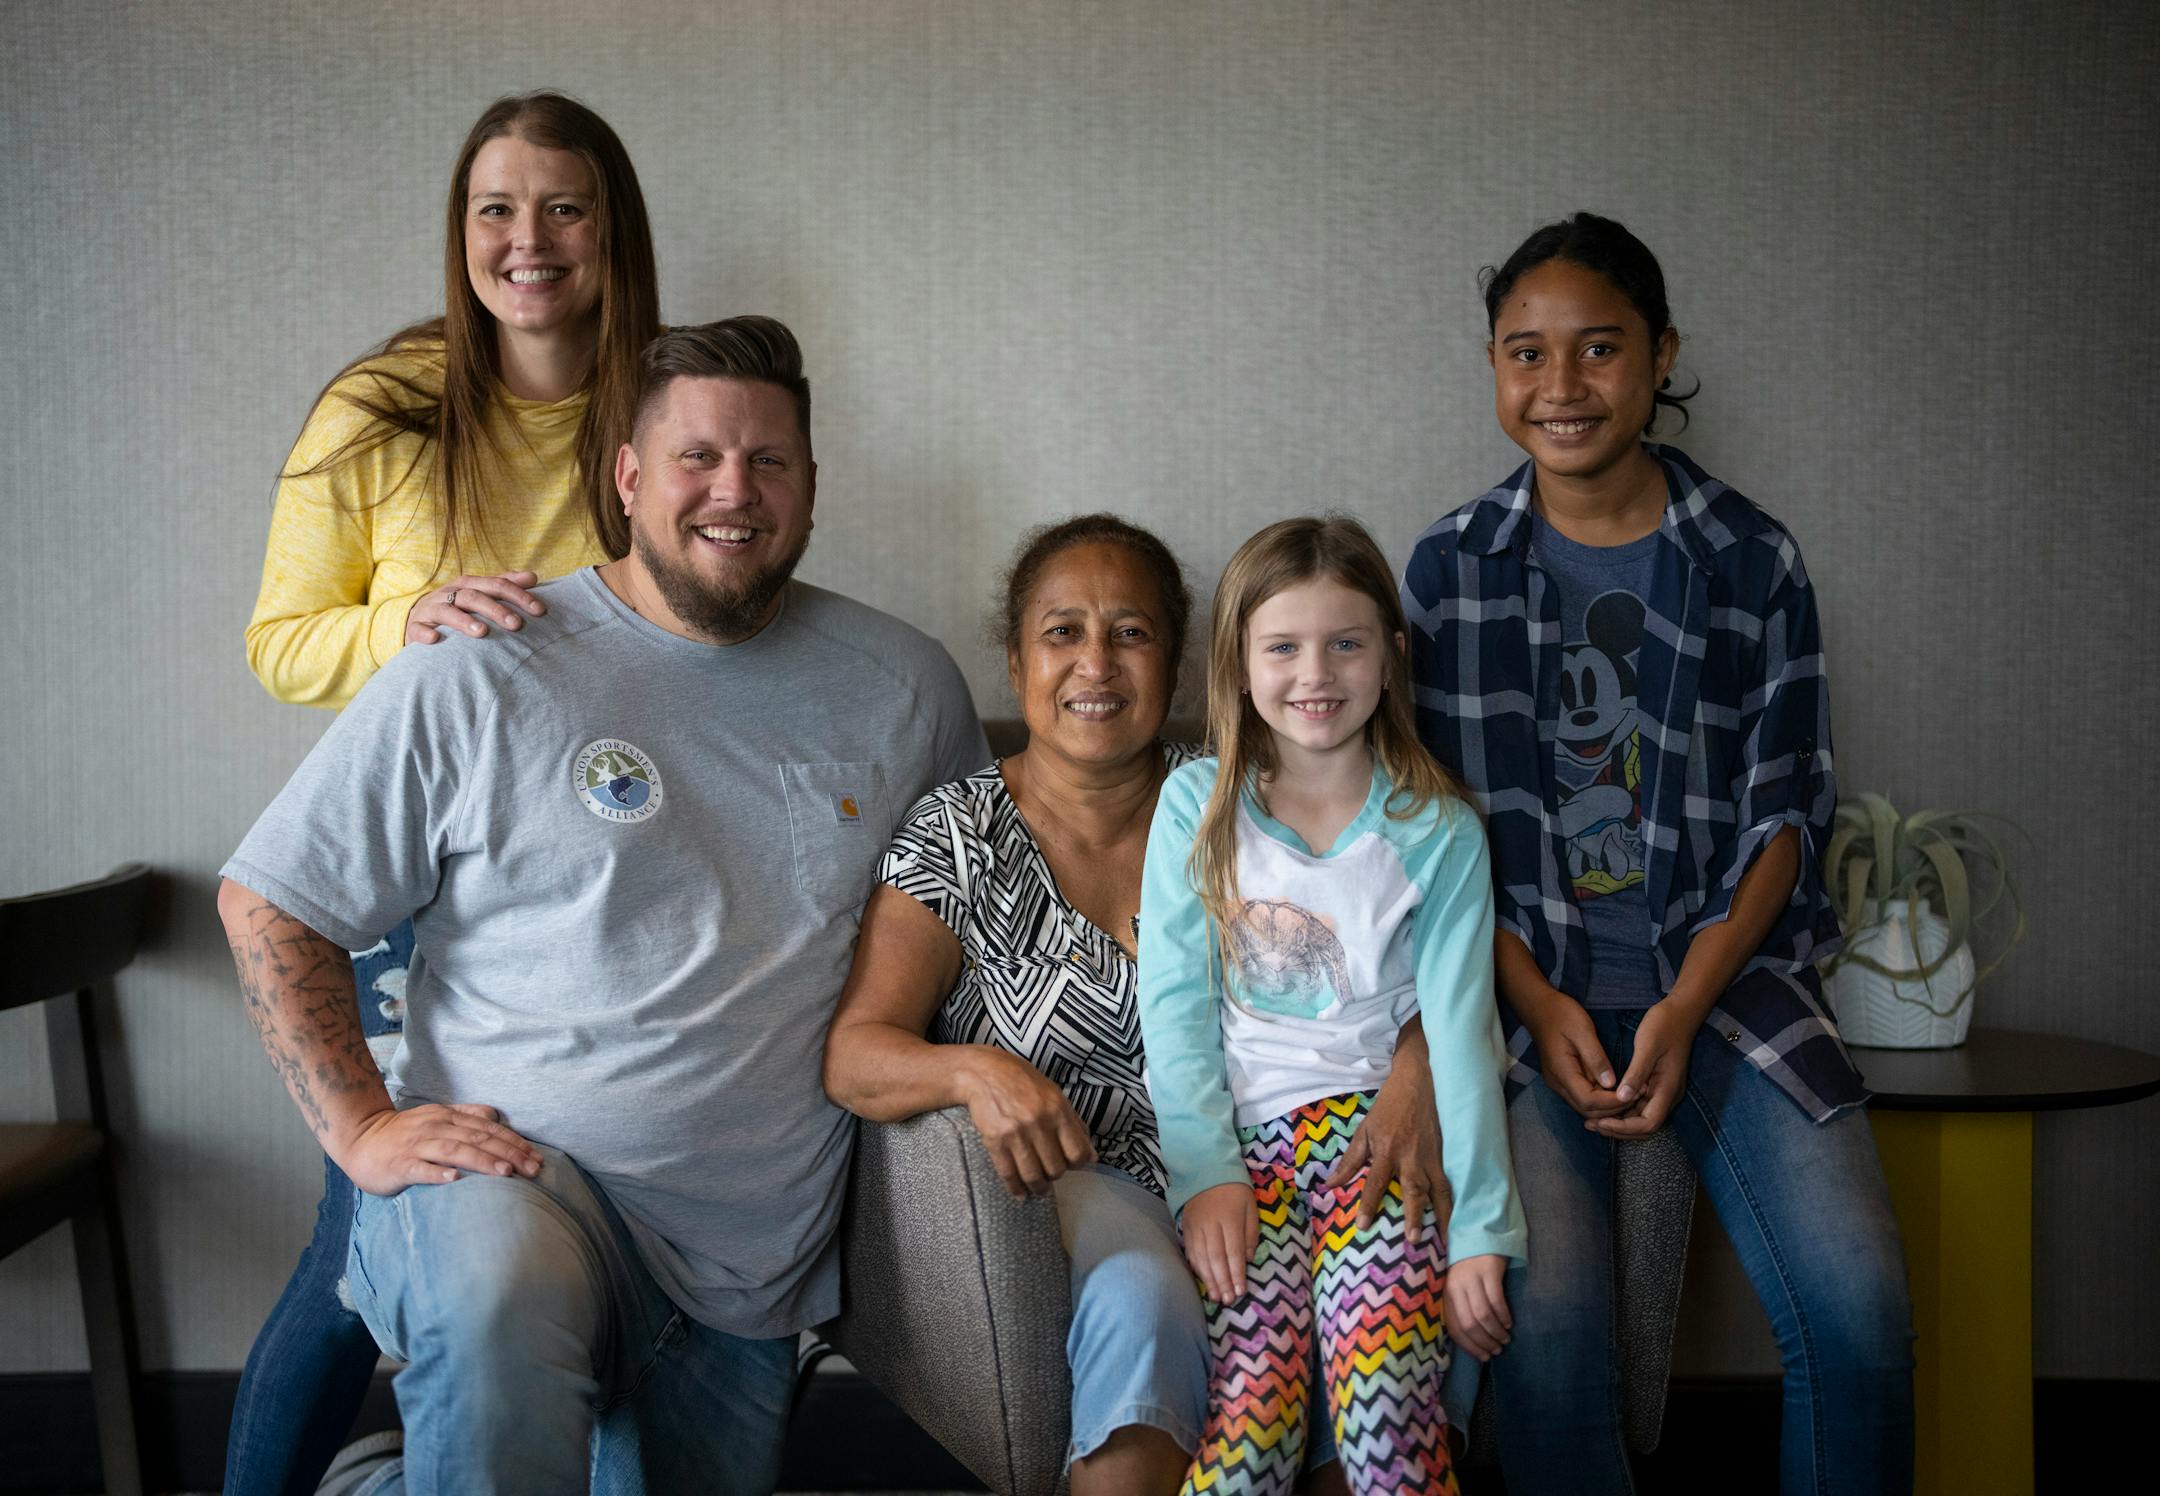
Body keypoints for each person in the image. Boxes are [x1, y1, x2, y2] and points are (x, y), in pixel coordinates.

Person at [217, 316, 987, 1495]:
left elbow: (969, 931)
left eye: (770, 460)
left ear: (813, 487)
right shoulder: (478, 661)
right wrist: (363, 1127)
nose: (736, 490)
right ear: (628, 476)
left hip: (743, 1270)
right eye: (698, 457)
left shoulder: (906, 685)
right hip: (515, 1185)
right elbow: (272, 901)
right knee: (494, 1317)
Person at [1400, 211, 1914, 1494]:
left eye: (1599, 350)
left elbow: (1788, 810)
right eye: (1526, 352)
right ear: (1493, 366)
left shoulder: (1751, 557)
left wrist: (1685, 1003)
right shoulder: (1449, 569)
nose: (1561, 386)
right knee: (1550, 1353)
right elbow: (1424, 829)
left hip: (1729, 990)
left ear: (1661, 354)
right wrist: (1533, 995)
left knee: (1860, 1326)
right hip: (1524, 1001)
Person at [823, 515, 1452, 1496]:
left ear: (1180, 656)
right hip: (1076, 1187)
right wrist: (974, 1068)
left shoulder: (1247, 798)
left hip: (1283, 1162)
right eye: (1063, 631)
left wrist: (1419, 1059)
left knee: (1361, 1318)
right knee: (1148, 1290)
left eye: (1131, 632)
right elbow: (855, 1054)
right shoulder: (963, 830)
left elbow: (1402, 951)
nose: (1096, 664)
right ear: (1016, 656)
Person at [226, 90, 662, 1496]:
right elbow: (280, 642)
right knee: (367, 1220)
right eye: (495, 208)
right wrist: (406, 620)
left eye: (564, 206)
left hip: (600, 878)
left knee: (577, 1221)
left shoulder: (661, 406)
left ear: (612, 228)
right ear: (460, 231)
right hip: (406, 878)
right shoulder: (379, 408)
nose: (527, 239)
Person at [1136, 516, 1525, 1496]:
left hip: (1378, 1152)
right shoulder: (1197, 807)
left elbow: (1463, 1034)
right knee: (1253, 1425)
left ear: (1392, 659)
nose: (1317, 672)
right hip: (1245, 1156)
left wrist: (1482, 1229)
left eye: (1346, 642)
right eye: (1284, 646)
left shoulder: (1437, 828)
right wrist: (1205, 1174)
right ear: (1239, 662)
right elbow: (1175, 1008)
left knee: (1386, 1413)